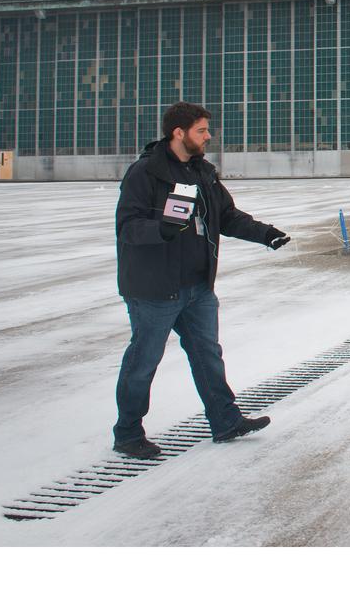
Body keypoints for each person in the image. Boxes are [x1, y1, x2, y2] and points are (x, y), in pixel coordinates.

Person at [112, 101, 293, 457]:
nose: (208, 136)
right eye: (201, 130)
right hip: (154, 289)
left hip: (196, 286)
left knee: (208, 354)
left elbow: (226, 216)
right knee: (143, 361)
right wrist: (161, 229)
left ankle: (226, 421)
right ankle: (128, 433)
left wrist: (266, 233)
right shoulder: (146, 173)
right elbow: (127, 227)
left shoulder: (202, 172)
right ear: (178, 133)